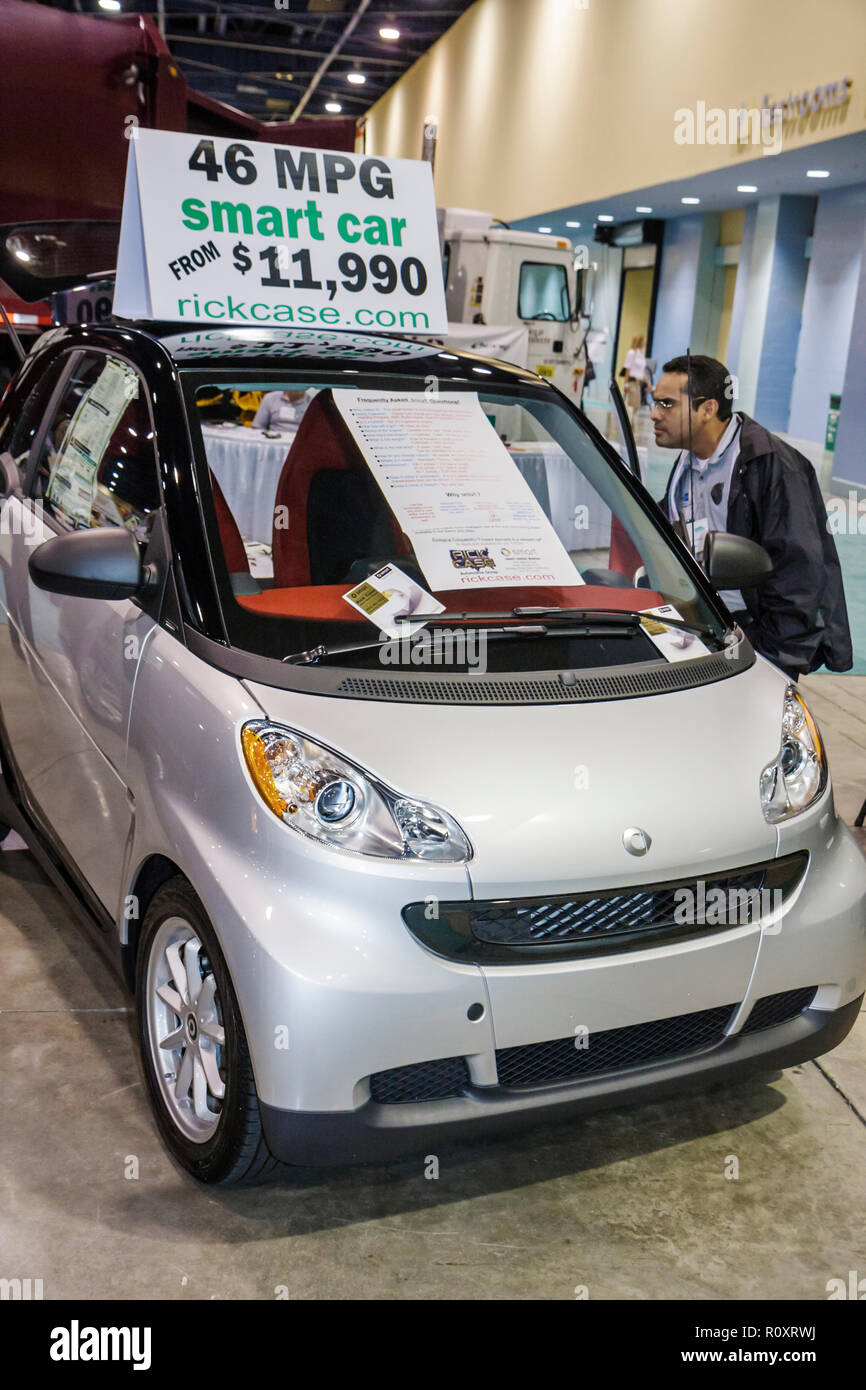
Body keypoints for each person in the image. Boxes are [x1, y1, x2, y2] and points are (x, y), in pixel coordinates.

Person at [651, 353, 851, 680]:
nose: (655, 415)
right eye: (654, 402)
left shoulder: (772, 467)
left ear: (708, 409)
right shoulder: (689, 460)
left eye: (668, 404)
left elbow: (800, 575)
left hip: (754, 639)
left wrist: (774, 663)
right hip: (701, 626)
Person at [622, 335, 651, 424]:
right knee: (631, 404)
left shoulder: (640, 353)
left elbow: (642, 371)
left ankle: (630, 423)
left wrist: (648, 383)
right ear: (640, 341)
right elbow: (627, 368)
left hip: (638, 382)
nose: (645, 342)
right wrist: (626, 383)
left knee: (637, 405)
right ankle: (628, 424)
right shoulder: (631, 353)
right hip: (632, 381)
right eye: (644, 340)